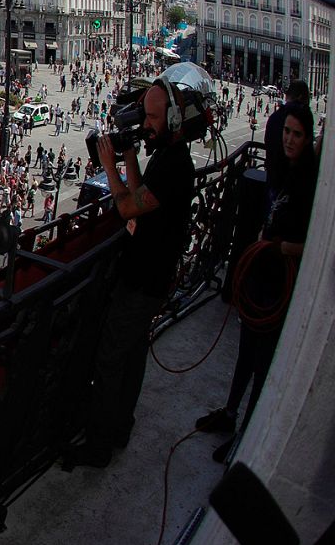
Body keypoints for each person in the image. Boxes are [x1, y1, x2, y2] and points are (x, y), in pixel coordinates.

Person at [67, 80, 197, 468]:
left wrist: (109, 166)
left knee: (111, 359)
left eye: (153, 118)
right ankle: (121, 426)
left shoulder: (175, 165)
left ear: (173, 118)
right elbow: (142, 193)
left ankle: (98, 446)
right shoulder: (169, 155)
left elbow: (128, 208)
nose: (147, 125)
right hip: (151, 276)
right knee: (134, 354)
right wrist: (128, 157)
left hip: (144, 279)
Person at [197, 102, 319, 459]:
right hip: (260, 273)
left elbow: (312, 243)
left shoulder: (309, 185)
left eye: (297, 135)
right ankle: (231, 413)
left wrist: (279, 246)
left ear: (307, 137)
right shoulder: (283, 171)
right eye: (286, 133)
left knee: (263, 362)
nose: (289, 140)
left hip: (280, 281)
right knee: (246, 352)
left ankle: (246, 437)